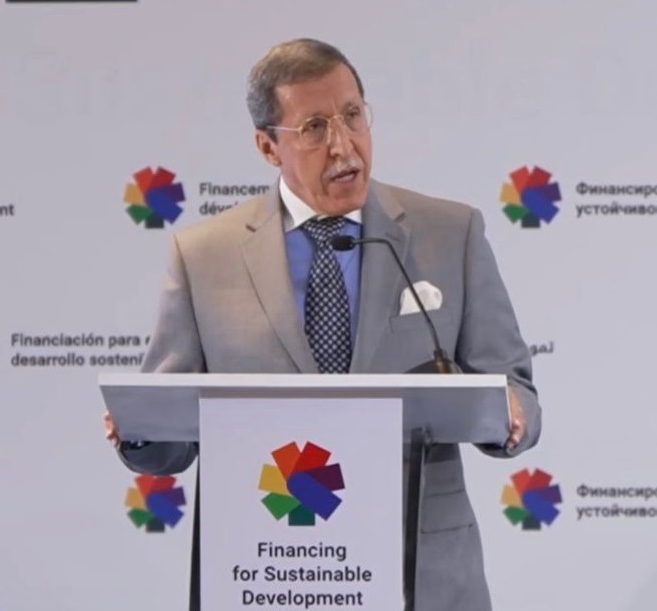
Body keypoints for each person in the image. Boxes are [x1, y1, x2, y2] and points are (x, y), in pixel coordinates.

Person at [103, 38, 542, 611]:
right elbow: (171, 440)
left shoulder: (450, 233)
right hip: (270, 570)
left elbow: (516, 389)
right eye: (313, 128)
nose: (343, 144)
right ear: (268, 146)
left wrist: (508, 413)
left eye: (353, 115)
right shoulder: (204, 256)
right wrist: (140, 428)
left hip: (420, 576)